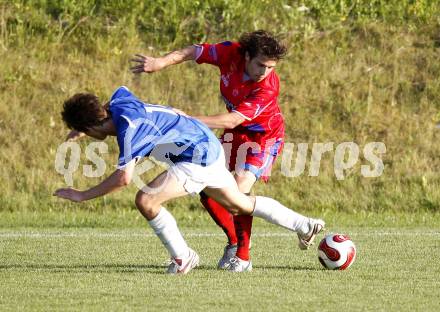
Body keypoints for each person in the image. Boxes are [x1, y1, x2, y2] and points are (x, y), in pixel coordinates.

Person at [54, 86, 325, 274]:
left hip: (196, 157)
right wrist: (82, 130)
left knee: (146, 200)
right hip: (204, 143)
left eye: (85, 131)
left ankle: (183, 257)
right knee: (239, 204)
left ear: (91, 127)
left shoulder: (130, 130)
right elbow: (126, 109)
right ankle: (304, 224)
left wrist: (81, 195)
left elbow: (123, 178)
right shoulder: (116, 103)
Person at [130, 30, 287, 271]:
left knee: (238, 193)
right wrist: (161, 62)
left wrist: (187, 120)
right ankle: (234, 243)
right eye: (260, 65)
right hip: (234, 135)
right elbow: (194, 51)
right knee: (206, 187)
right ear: (246, 56)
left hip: (263, 136)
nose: (265, 72)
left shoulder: (268, 87)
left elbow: (233, 119)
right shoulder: (229, 52)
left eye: (271, 67)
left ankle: (243, 259)